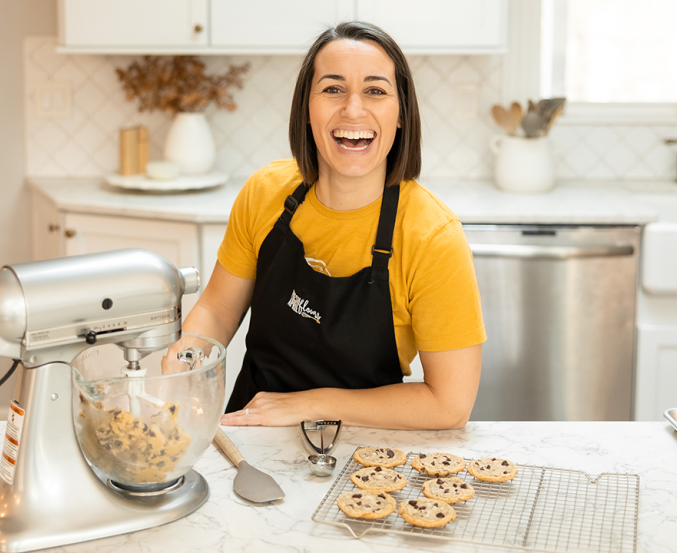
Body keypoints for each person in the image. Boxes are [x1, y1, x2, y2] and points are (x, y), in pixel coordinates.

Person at [163, 21, 486, 430]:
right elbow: (217, 309)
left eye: (376, 90)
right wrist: (187, 361)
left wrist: (310, 404)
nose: (353, 109)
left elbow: (450, 405)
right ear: (307, 108)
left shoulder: (432, 237)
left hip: (367, 443)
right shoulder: (265, 193)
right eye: (333, 89)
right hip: (251, 430)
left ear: (402, 113)